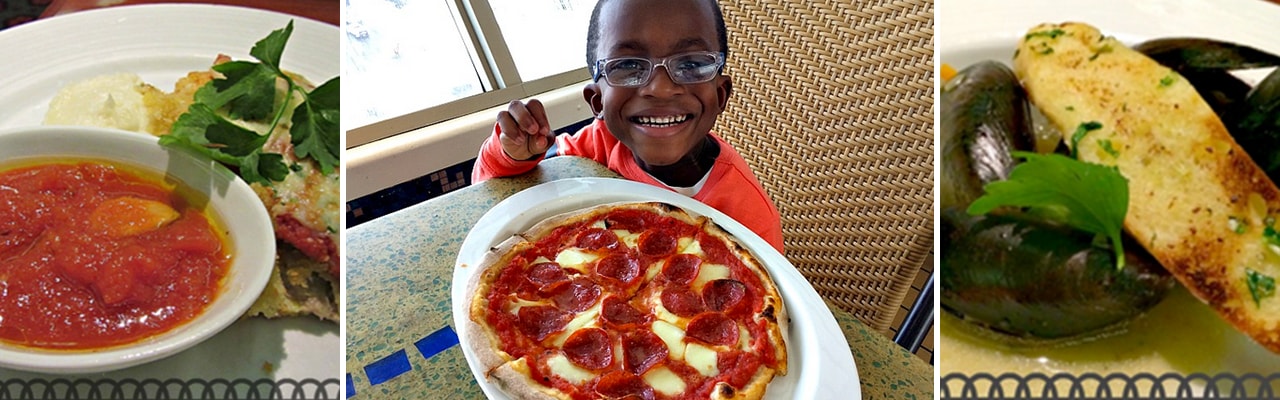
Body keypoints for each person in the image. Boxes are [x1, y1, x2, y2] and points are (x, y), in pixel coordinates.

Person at [471, 0, 783, 252]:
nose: (660, 88)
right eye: (628, 66)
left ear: (720, 94)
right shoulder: (594, 146)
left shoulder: (749, 214)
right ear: (596, 103)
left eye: (690, 64)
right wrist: (513, 154)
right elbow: (495, 193)